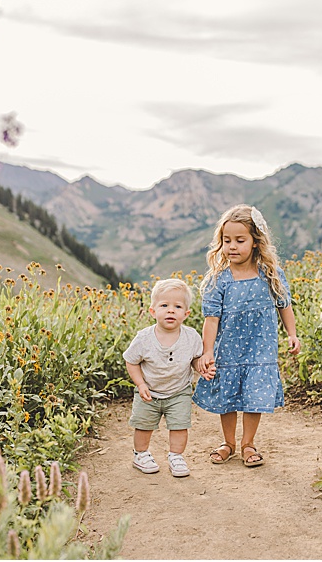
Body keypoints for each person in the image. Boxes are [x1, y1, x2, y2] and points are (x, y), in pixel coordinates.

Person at [193, 204, 301, 467]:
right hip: (228, 350)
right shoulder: (219, 279)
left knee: (254, 397)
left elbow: (284, 305)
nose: (232, 246)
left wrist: (292, 334)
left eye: (240, 240)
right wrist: (208, 351)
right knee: (227, 398)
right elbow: (211, 319)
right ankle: (228, 442)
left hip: (261, 349)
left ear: (255, 242)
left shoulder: (270, 274)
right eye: (226, 240)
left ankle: (248, 444)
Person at [124, 278, 208, 477]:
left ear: (186, 314)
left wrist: (201, 367)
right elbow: (131, 361)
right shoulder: (144, 338)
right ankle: (141, 454)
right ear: (153, 311)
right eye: (164, 305)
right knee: (143, 425)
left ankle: (176, 456)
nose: (171, 310)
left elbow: (195, 359)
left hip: (179, 391)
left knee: (179, 425)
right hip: (148, 392)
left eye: (177, 306)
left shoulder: (191, 337)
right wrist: (140, 383)